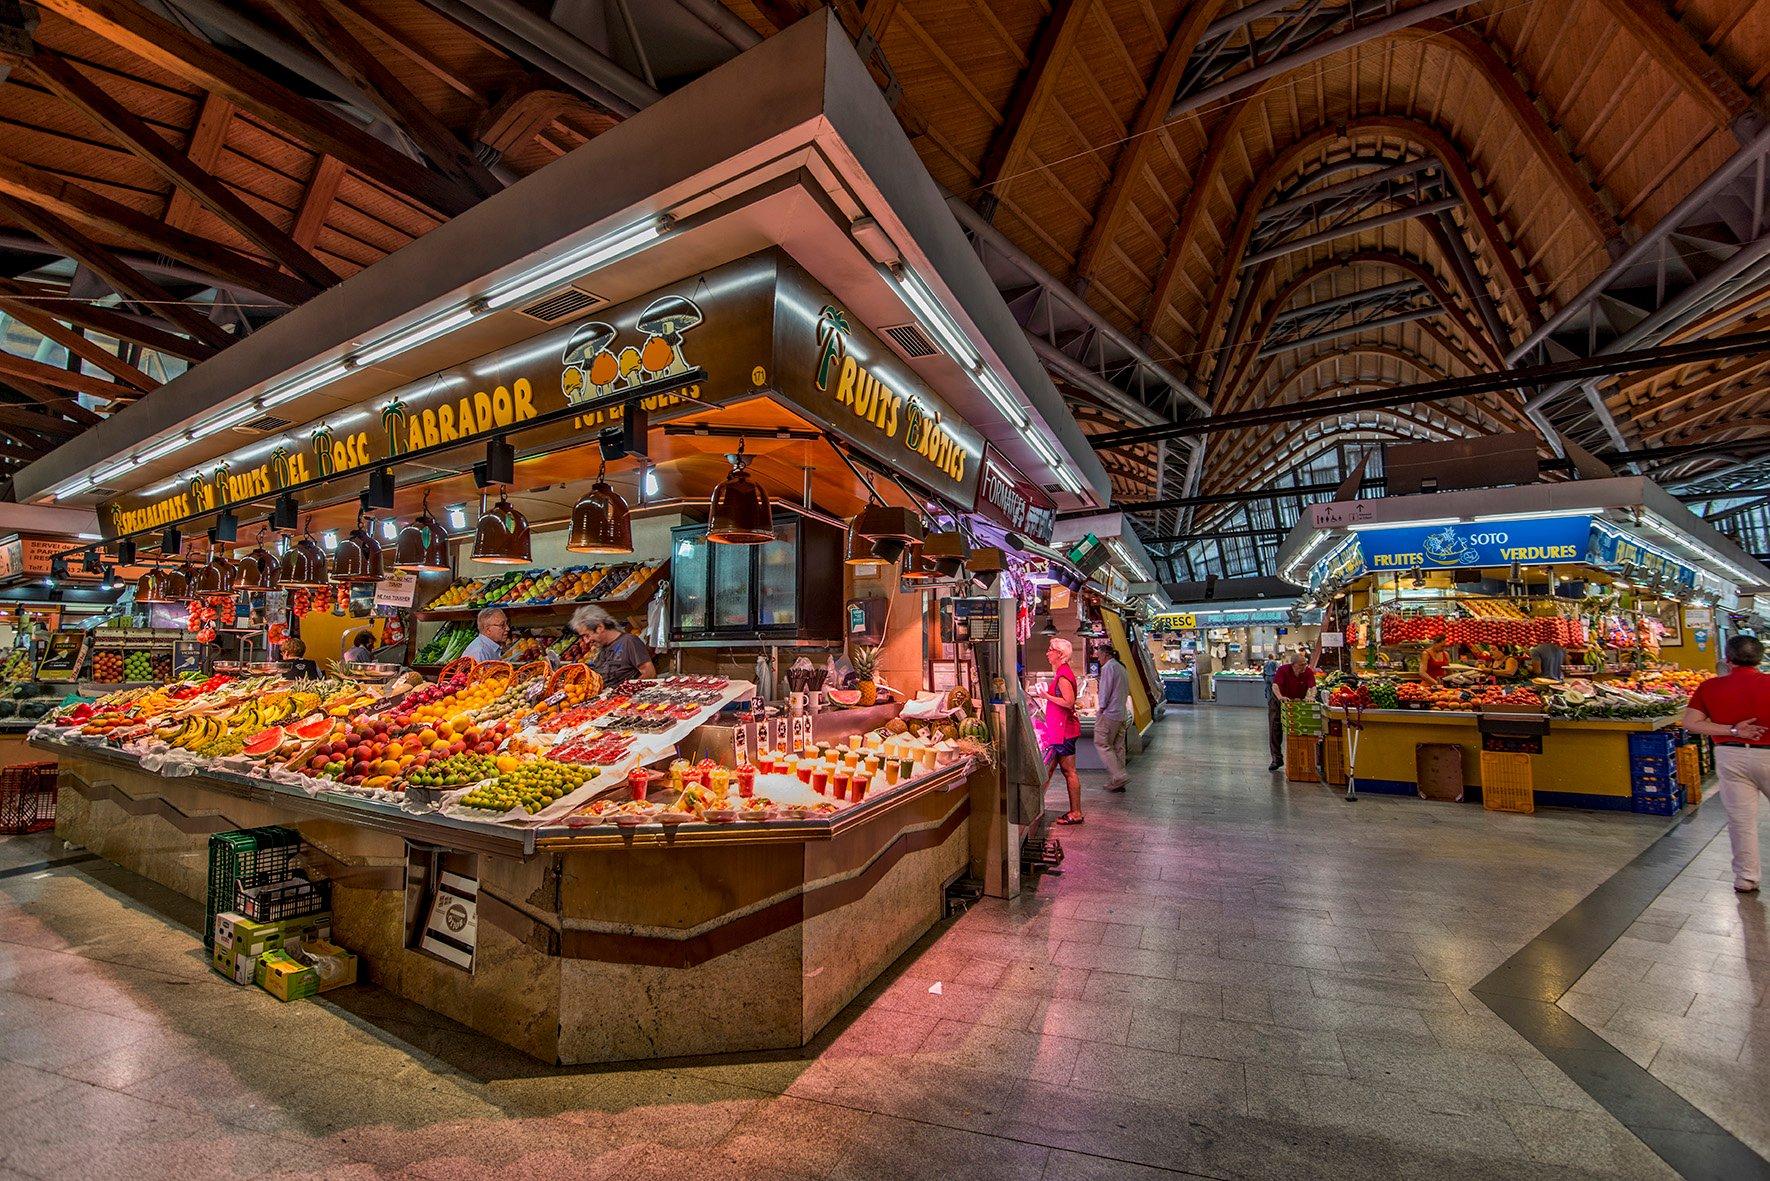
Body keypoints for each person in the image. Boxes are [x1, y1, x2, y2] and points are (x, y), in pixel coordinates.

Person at [1681, 634, 1770, 893]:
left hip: (1731, 756)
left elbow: (1691, 723)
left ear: (1727, 660)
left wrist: (1733, 730)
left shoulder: (1709, 687)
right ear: (1760, 658)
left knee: (1740, 820)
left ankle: (1746, 878)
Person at [1034, 637, 1084, 825]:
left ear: (1060, 654)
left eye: (1050, 650)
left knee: (1069, 771)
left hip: (1064, 732)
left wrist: (1045, 696)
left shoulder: (1063, 675)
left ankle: (1076, 812)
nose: (1047, 653)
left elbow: (1068, 702)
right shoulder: (1061, 673)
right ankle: (1036, 808)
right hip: (1059, 730)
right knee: (1052, 769)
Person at [571, 604, 655, 688]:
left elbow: (650, 674)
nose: (586, 641)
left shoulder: (629, 642)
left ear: (600, 627)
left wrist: (626, 691)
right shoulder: (602, 649)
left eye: (587, 635)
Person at [1271, 650, 1317, 772]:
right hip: (1279, 700)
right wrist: (1280, 697)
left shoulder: (1307, 671)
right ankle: (1276, 758)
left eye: (1305, 664)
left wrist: (1311, 697)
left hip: (1297, 701)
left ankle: (1300, 757)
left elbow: (1313, 687)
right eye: (1301, 665)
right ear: (1293, 664)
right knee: (1276, 727)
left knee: (1297, 727)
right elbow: (1275, 686)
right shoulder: (1283, 670)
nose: (1304, 667)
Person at [1093, 641, 1130, 792]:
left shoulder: (1108, 667)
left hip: (1110, 713)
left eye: (1099, 655)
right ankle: (1118, 781)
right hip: (1121, 712)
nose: (1098, 658)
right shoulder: (1121, 667)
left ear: (1105, 654)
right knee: (1118, 747)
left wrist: (1100, 709)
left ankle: (1119, 775)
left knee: (1102, 743)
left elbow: (1105, 690)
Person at [1262, 652, 1283, 770]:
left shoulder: (1266, 664)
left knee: (1274, 727)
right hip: (1276, 699)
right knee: (1275, 727)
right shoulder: (1276, 665)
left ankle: (1276, 758)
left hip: (1273, 697)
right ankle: (1277, 757)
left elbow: (1264, 675)